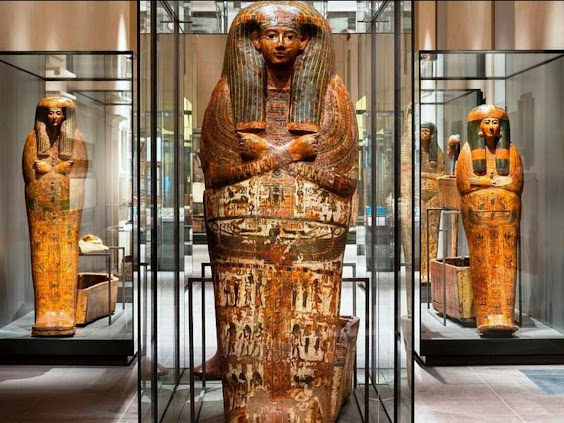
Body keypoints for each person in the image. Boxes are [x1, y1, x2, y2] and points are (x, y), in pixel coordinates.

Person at [200, 2, 358, 421]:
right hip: (242, 228)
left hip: (312, 228)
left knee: (305, 321)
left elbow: (343, 182)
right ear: (254, 41)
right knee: (246, 321)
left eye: (290, 36)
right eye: (271, 35)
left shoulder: (331, 94)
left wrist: (267, 156)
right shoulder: (228, 93)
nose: (281, 44)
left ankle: (307, 401)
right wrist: (290, 154)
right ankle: (246, 400)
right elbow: (216, 176)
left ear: (306, 42)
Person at [22, 97, 88, 336]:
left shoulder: (76, 139)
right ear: (42, 115)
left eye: (58, 113)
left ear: (66, 116)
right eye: (50, 113)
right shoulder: (33, 139)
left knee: (66, 252)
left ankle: (65, 311)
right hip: (41, 212)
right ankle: (45, 311)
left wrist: (51, 171)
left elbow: (79, 176)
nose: (53, 118)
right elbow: (30, 177)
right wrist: (55, 170)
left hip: (67, 211)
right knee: (42, 254)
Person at [456, 105, 523, 335]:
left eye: (495, 122)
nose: (492, 127)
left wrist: (485, 182)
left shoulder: (511, 151)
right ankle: (485, 315)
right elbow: (465, 183)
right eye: (487, 122)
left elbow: (515, 182)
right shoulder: (467, 152)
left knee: (506, 260)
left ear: (502, 127)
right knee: (482, 258)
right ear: (478, 127)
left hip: (506, 214)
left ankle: (505, 315)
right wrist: (494, 182)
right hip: (478, 213)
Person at [420, 121, 445, 283]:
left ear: (432, 134)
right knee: (422, 233)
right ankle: (423, 270)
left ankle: (430, 270)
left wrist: (423, 175)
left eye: (427, 131)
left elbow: (441, 175)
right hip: (419, 196)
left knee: (432, 232)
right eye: (422, 131)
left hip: (434, 195)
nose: (424, 134)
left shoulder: (438, 152)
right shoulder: (415, 153)